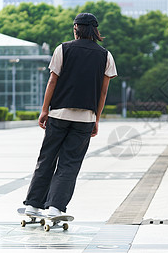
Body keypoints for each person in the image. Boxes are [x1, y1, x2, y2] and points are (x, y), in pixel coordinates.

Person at [22, 12, 117, 217]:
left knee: (47, 158)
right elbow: (103, 91)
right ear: (95, 31)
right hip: (85, 119)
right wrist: (96, 119)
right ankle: (55, 208)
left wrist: (44, 110)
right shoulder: (106, 55)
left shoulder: (62, 49)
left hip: (58, 114)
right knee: (70, 163)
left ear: (76, 28)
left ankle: (33, 205)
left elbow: (52, 82)